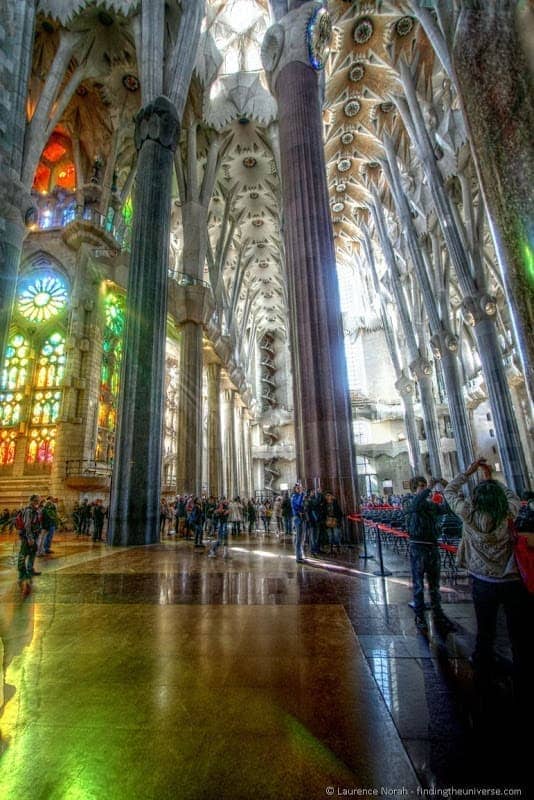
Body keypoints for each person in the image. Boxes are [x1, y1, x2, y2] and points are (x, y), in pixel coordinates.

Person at [444, 459, 531, 686]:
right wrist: (490, 478)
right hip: (511, 579)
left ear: (475, 499)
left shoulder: (468, 514)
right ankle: (522, 667)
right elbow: (512, 496)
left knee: (485, 626)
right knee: (517, 629)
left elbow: (450, 490)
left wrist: (468, 472)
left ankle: (482, 660)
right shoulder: (508, 513)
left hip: (482, 580)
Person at [404, 476, 455, 634]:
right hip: (418, 547)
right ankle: (420, 615)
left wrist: (448, 490)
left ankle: (438, 614)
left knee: (434, 585)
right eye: (421, 486)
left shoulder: (431, 505)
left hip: (432, 546)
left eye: (425, 485)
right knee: (419, 585)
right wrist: (428, 489)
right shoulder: (409, 502)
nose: (424, 488)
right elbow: (416, 505)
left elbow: (447, 508)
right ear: (414, 488)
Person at [18, 494, 42, 594]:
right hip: (27, 537)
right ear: (31, 501)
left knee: (32, 553)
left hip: (34, 536)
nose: (38, 502)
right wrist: (30, 538)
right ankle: (22, 575)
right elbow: (27, 525)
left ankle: (30, 569)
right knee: (23, 554)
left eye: (38, 501)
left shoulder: (34, 510)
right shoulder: (28, 511)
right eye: (36, 501)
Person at [323, 490, 343, 555]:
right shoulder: (324, 504)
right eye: (327, 496)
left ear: (332, 496)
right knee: (330, 536)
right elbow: (323, 512)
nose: (328, 497)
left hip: (335, 521)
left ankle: (338, 548)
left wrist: (337, 519)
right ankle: (331, 549)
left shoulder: (335, 503)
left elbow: (339, 512)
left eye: (329, 495)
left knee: (336, 535)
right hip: (327, 521)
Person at [291, 483, 305, 563]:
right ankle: (298, 557)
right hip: (297, 519)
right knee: (299, 538)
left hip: (301, 518)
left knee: (301, 538)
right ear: (295, 489)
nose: (299, 489)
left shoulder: (298, 496)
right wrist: (302, 494)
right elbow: (298, 503)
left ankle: (301, 554)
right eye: (298, 488)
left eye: (300, 488)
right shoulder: (294, 497)